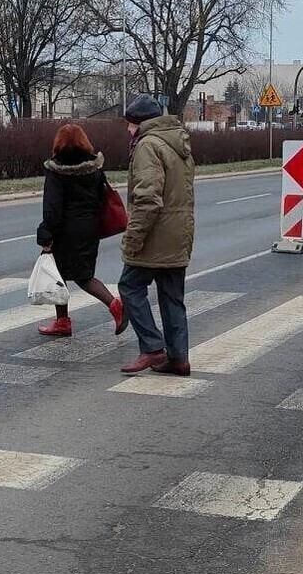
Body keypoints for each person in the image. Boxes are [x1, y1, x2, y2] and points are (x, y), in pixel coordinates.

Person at [118, 95, 196, 377]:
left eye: (129, 125)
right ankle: (178, 358)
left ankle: (151, 346)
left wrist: (133, 238)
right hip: (180, 233)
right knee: (172, 296)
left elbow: (148, 199)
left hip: (156, 235)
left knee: (129, 286)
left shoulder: (148, 146)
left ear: (141, 123)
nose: (127, 130)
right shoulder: (179, 142)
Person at [36, 124, 126, 337]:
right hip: (90, 227)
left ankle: (115, 305)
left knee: (75, 276)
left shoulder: (56, 170)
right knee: (76, 273)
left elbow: (52, 208)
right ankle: (62, 321)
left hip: (65, 231)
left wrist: (46, 233)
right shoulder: (94, 168)